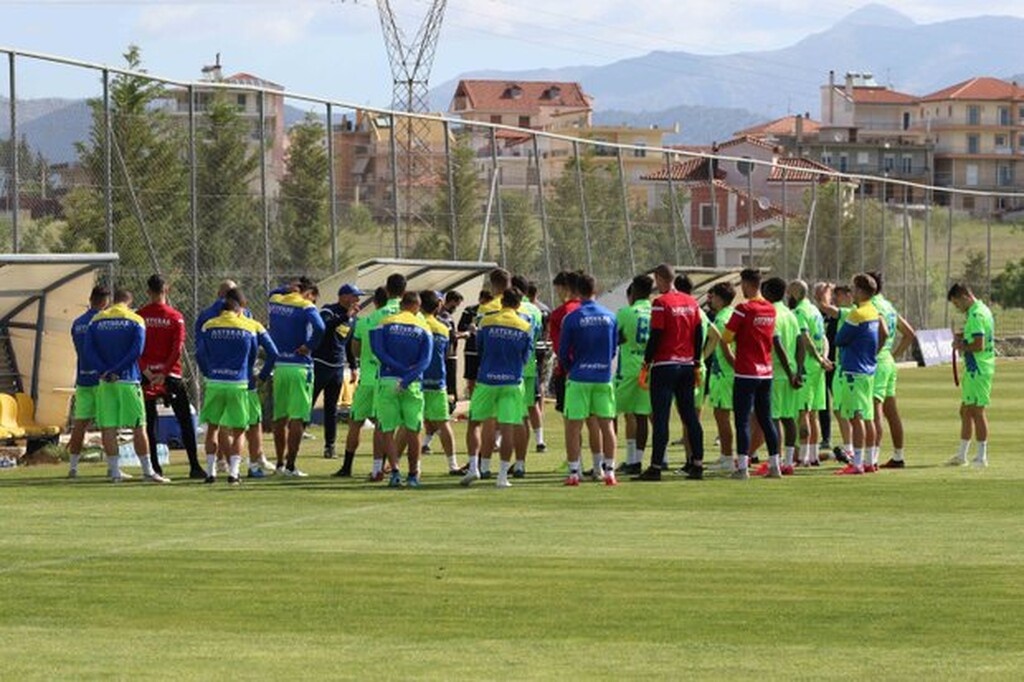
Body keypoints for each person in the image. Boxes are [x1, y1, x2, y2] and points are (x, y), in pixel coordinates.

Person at [84, 288, 169, 484]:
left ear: (113, 301)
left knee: (108, 426)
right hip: (128, 380)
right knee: (139, 426)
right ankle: (147, 472)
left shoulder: (96, 320)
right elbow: (136, 351)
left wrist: (104, 370)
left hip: (105, 382)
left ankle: (114, 472)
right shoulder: (135, 320)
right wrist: (117, 369)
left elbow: (88, 351)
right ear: (129, 302)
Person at [196, 289, 273, 485]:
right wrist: (260, 376)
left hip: (214, 382)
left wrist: (208, 372)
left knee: (212, 428)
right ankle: (235, 472)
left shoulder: (208, 325)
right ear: (240, 310)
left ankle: (211, 471)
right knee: (240, 429)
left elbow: (199, 354)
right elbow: (269, 353)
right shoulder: (249, 326)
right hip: (240, 383)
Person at [634, 264, 703, 482]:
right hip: (686, 365)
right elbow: (699, 333)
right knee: (689, 416)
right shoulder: (691, 302)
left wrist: (646, 362)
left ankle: (655, 467)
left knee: (661, 417)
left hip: (665, 365)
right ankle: (697, 463)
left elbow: (656, 335)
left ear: (660, 278)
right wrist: (696, 361)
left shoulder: (661, 303)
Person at [460, 288, 533, 488]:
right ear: (518, 305)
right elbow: (526, 356)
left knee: (475, 422)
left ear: (501, 302)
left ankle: (475, 466)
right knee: (508, 426)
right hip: (512, 381)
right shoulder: (525, 326)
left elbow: (480, 349)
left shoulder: (486, 322)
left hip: (487, 379)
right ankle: (502, 476)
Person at [137, 274, 204, 479]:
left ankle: (155, 467)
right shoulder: (175, 317)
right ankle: (194, 466)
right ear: (167, 290)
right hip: (171, 374)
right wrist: (164, 372)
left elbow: (135, 348)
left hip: (146, 373)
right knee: (184, 419)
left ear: (148, 291)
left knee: (149, 421)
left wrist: (148, 370)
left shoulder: (140, 316)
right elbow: (177, 348)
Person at [559, 274, 618, 486]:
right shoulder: (611, 317)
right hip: (603, 377)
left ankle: (574, 473)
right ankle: (609, 471)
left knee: (573, 426)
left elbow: (563, 351)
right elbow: (613, 349)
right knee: (606, 425)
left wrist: (569, 369)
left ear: (576, 291)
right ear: (597, 289)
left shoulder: (573, 317)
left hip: (579, 377)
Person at [370, 291, 433, 488]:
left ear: (401, 305)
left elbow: (378, 351)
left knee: (388, 429)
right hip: (412, 383)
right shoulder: (424, 326)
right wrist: (407, 377)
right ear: (416, 306)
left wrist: (396, 368)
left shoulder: (384, 322)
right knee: (413, 430)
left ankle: (395, 472)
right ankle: (413, 474)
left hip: (388, 380)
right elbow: (425, 361)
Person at [722, 269, 780, 480]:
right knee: (766, 419)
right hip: (766, 371)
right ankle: (775, 466)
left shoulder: (743, 309)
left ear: (746, 284)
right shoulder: (771, 309)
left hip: (746, 371)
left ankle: (743, 467)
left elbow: (727, 337)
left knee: (742, 420)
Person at [267, 278, 325, 477]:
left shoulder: (276, 300)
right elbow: (320, 328)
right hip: (300, 366)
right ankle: (291, 466)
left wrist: (286, 288)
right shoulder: (306, 306)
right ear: (308, 293)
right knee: (297, 418)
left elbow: (272, 292)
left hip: (279, 365)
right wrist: (309, 346)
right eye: (313, 298)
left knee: (280, 417)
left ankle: (280, 464)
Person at [834, 274, 885, 476]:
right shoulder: (873, 311)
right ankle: (870, 461)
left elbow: (840, 339)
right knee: (868, 417)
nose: (851, 292)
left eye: (853, 289)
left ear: (861, 291)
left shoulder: (857, 315)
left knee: (856, 418)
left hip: (853, 370)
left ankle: (856, 464)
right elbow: (884, 333)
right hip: (869, 370)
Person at [338, 286, 390, 479]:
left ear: (375, 302)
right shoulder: (395, 317)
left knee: (355, 423)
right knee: (383, 424)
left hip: (366, 378)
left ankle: (346, 467)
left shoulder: (364, 322)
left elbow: (356, 351)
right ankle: (380, 467)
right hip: (383, 378)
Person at [358, 276, 405, 482]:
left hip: (383, 376)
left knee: (383, 424)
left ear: (387, 289)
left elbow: (363, 348)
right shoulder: (412, 314)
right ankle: (414, 471)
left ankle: (380, 468)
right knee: (411, 426)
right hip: (411, 377)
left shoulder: (373, 317)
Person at [867, 271, 916, 470]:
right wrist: (892, 355)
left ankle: (872, 458)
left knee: (875, 409)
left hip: (876, 360)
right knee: (891, 411)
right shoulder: (888, 305)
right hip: (887, 361)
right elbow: (909, 334)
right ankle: (898, 455)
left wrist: (876, 353)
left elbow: (882, 332)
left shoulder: (873, 306)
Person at [757, 277, 802, 478]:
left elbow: (777, 344)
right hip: (791, 372)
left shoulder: (771, 312)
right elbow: (800, 342)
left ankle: (775, 461)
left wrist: (789, 371)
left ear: (768, 292)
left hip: (776, 372)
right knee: (788, 417)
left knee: (773, 417)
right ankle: (789, 462)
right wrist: (798, 370)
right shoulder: (790, 314)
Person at [947, 283, 995, 468]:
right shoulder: (982, 310)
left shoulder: (976, 314)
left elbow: (978, 344)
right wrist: (963, 337)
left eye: (957, 303)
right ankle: (962, 455)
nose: (957, 308)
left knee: (977, 411)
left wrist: (960, 346)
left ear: (965, 296)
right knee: (965, 411)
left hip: (978, 369)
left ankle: (982, 456)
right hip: (977, 369)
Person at [312, 283, 361, 461]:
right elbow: (324, 327)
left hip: (338, 367)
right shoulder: (329, 310)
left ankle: (330, 446)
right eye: (354, 296)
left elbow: (347, 344)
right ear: (344, 296)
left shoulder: (353, 318)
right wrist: (345, 316)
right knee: (307, 404)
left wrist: (353, 366)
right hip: (321, 363)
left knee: (331, 408)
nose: (357, 300)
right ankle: (293, 443)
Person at [789, 279, 833, 468]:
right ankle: (813, 455)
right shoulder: (815, 310)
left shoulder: (799, 312)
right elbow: (823, 337)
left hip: (807, 367)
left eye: (789, 293)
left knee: (803, 413)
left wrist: (817, 357)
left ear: (795, 294)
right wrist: (824, 357)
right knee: (813, 413)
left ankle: (803, 457)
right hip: (818, 371)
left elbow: (805, 338)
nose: (787, 297)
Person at [67, 286, 110, 479]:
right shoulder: (102, 323)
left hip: (83, 377)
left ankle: (73, 468)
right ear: (105, 302)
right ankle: (112, 466)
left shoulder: (77, 323)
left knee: (80, 425)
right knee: (107, 424)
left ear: (90, 298)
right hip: (100, 379)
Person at [419, 290, 462, 475]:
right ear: (438, 305)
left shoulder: (417, 325)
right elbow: (446, 355)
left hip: (416, 382)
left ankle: (395, 465)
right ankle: (453, 465)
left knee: (410, 425)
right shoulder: (443, 328)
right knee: (443, 423)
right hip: (437, 382)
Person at [615, 275, 653, 476]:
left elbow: (616, 337)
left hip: (627, 371)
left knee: (609, 413)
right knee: (641, 416)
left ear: (634, 292)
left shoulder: (625, 313)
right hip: (648, 371)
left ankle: (606, 462)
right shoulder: (655, 313)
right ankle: (636, 461)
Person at [511, 274, 543, 478]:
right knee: (525, 414)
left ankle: (486, 463)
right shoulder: (535, 310)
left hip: (512, 368)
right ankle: (520, 462)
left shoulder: (513, 308)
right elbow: (537, 335)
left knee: (512, 416)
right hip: (530, 366)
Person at [706, 281, 737, 471]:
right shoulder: (733, 314)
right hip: (731, 373)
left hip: (723, 374)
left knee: (722, 416)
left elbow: (725, 348)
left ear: (720, 298)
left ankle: (727, 458)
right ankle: (730, 456)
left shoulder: (720, 319)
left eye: (713, 297)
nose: (711, 300)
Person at [526, 281, 550, 453]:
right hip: (542, 348)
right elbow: (546, 330)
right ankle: (540, 438)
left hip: (531, 352)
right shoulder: (544, 309)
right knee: (539, 389)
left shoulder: (527, 309)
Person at [457, 289, 492, 399]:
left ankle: (483, 400)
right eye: (485, 301)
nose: (486, 304)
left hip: (486, 350)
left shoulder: (492, 312)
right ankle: (472, 401)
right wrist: (469, 328)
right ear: (480, 299)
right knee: (471, 377)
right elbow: (460, 326)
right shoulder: (470, 310)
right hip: (471, 349)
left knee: (485, 376)